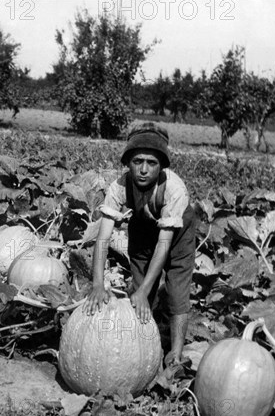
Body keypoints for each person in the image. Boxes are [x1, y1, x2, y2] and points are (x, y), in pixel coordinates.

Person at [83, 122, 195, 368]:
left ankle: (175, 353)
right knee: (142, 284)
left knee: (176, 290)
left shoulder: (174, 190)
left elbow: (164, 245)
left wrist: (143, 291)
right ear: (128, 162)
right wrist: (98, 284)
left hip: (177, 234)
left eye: (151, 163)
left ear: (162, 166)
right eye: (137, 161)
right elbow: (102, 239)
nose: (143, 170)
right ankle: (146, 345)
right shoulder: (119, 187)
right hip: (142, 226)